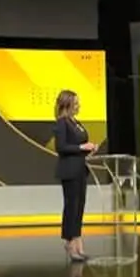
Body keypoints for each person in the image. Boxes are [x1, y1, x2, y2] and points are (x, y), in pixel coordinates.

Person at [53, 90, 95, 261]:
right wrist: (81, 148)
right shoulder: (62, 123)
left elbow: (79, 144)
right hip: (69, 171)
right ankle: (70, 243)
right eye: (76, 103)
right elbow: (61, 147)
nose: (78, 106)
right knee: (71, 207)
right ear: (67, 105)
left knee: (79, 207)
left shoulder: (76, 123)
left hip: (80, 170)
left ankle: (78, 243)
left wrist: (89, 148)